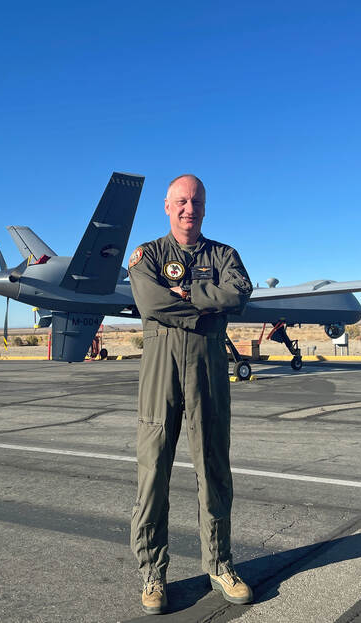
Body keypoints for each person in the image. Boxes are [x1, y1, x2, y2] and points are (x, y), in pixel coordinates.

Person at [128, 174, 253, 615]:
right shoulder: (147, 255)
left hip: (208, 372)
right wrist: (205, 309)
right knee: (153, 472)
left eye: (196, 202)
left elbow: (238, 294)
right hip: (160, 371)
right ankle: (152, 574)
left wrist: (188, 293)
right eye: (181, 201)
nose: (189, 209)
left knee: (214, 468)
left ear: (204, 207)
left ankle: (220, 564)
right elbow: (151, 303)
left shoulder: (224, 255)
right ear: (167, 206)